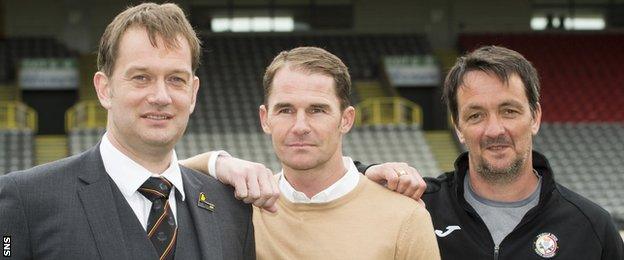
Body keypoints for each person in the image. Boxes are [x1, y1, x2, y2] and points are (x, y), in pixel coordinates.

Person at [188, 46, 624, 259]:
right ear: (456, 126)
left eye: (509, 111)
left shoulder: (592, 227)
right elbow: (155, 175)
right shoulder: (424, 202)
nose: (494, 130)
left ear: (536, 116)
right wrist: (218, 161)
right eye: (475, 115)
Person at [0, 3, 254, 259]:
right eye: (141, 77)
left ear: (193, 93)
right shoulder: (25, 201)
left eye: (176, 79)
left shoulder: (232, 209)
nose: (160, 96)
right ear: (104, 89)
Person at [207, 46, 440, 259]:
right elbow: (171, 177)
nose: (300, 127)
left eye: (317, 110)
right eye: (285, 110)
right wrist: (216, 162)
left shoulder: (405, 217)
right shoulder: (240, 211)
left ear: (346, 119)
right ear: (265, 119)